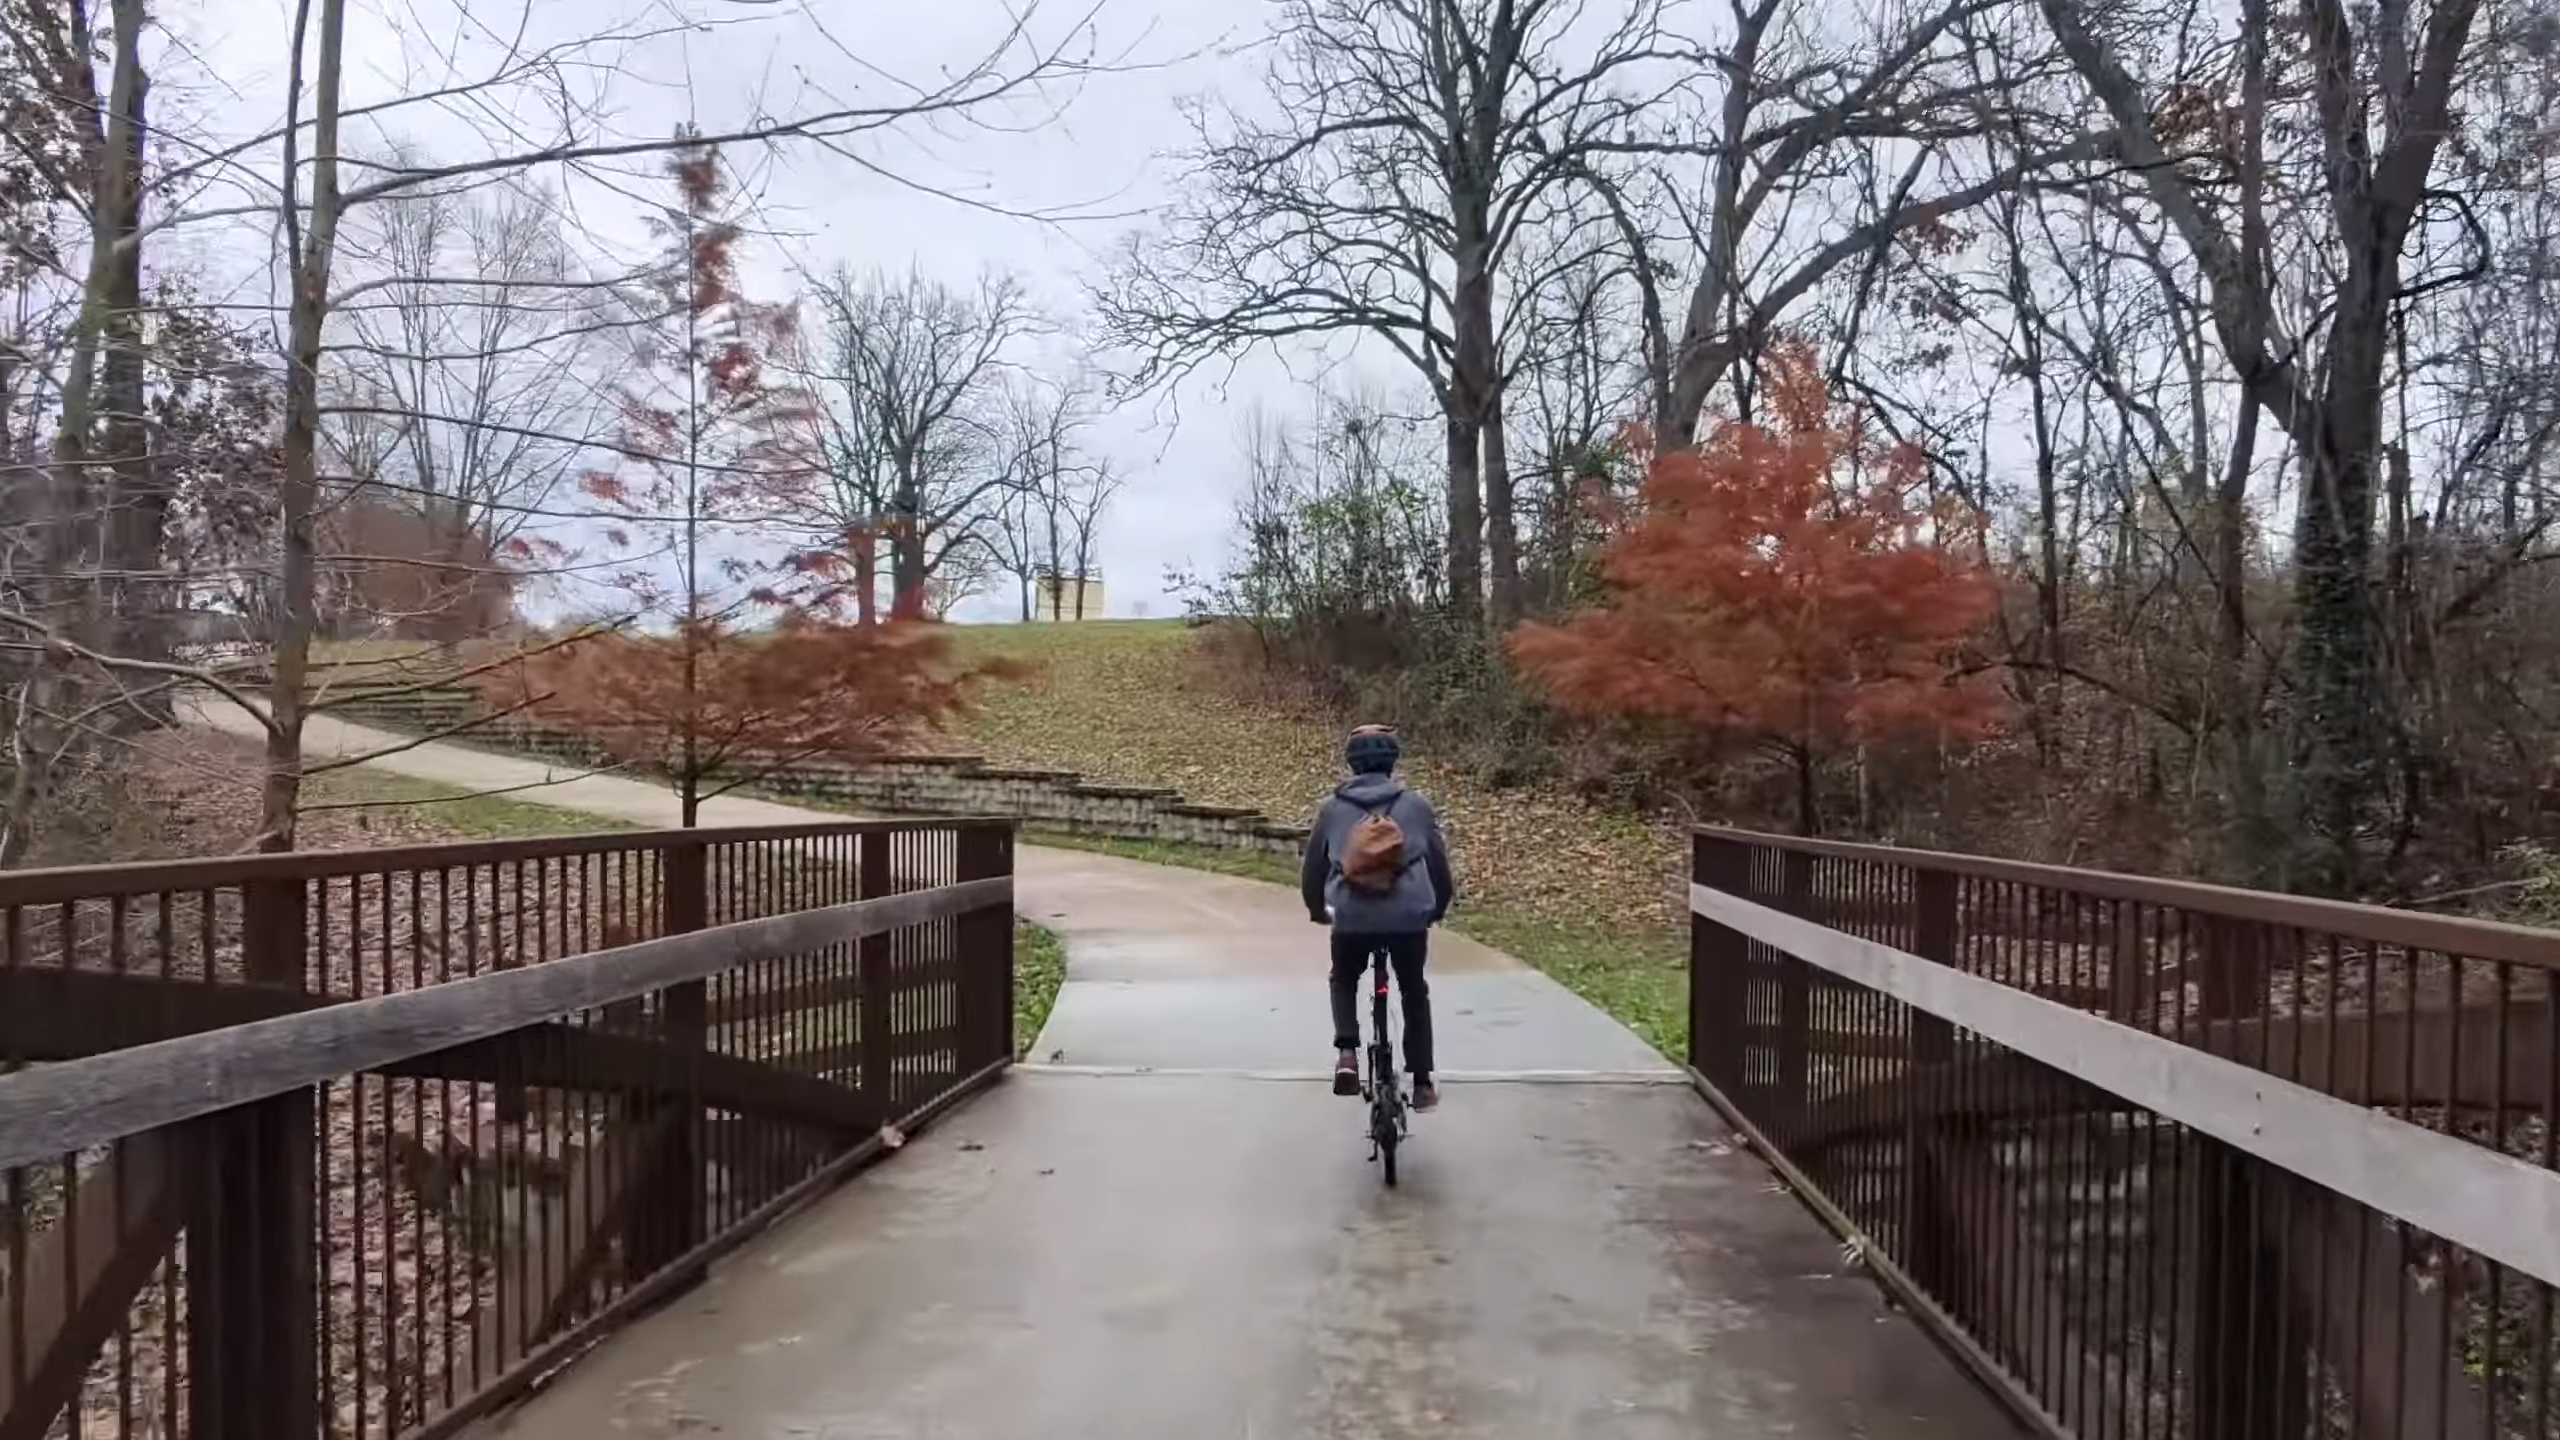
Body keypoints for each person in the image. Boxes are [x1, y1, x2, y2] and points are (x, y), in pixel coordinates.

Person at [1301, 724, 1456, 1111]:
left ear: (1351, 762)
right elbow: (1439, 867)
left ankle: (1348, 1055)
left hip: (1352, 917)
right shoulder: (1416, 807)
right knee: (1412, 990)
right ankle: (1422, 1083)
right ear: (1393, 760)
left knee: (1344, 978)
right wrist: (1436, 907)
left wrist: (1318, 910)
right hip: (1407, 918)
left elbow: (1313, 871)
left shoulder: (1333, 808)